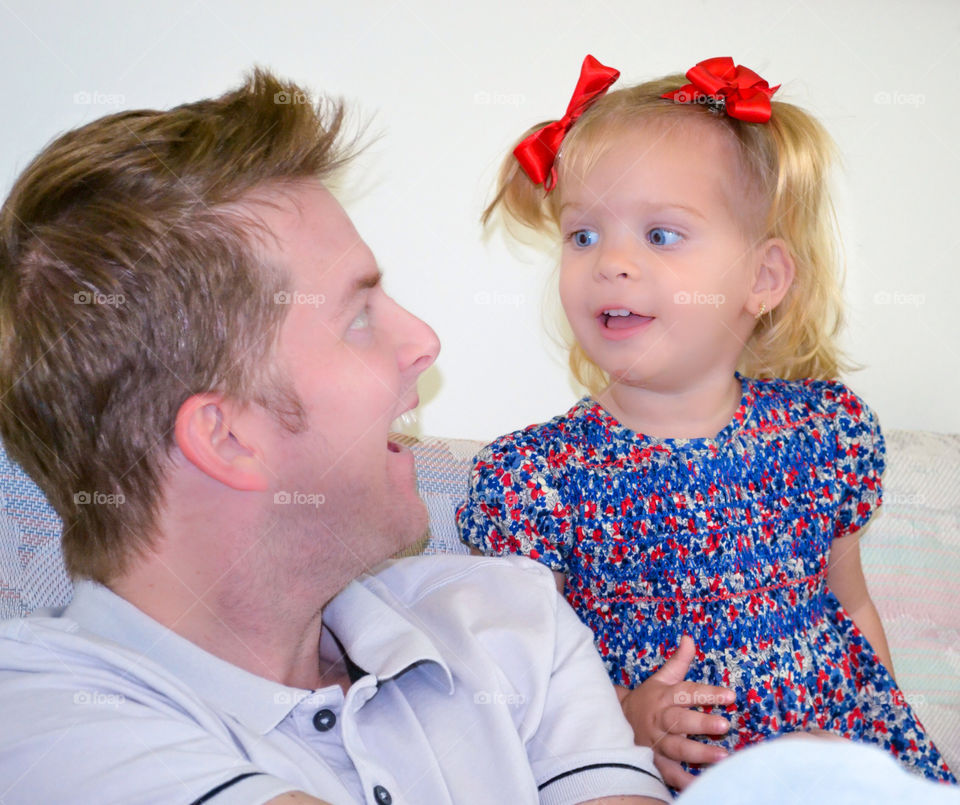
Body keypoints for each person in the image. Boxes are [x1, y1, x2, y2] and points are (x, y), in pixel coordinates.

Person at [0, 70, 670, 804]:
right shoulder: (40, 717)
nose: (422, 341)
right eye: (358, 316)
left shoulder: (511, 619)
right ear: (226, 438)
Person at [457, 55, 956, 789]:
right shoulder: (539, 477)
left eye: (660, 235)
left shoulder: (822, 434)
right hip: (685, 779)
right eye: (583, 235)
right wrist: (628, 715)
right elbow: (525, 686)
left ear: (763, 279)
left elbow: (850, 599)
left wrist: (873, 750)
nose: (612, 263)